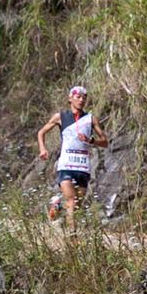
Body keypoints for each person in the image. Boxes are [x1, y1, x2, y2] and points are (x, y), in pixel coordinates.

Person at [38, 85, 108, 228]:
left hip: (82, 165)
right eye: (78, 97)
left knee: (76, 206)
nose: (81, 100)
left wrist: (91, 140)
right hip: (66, 164)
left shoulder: (90, 119)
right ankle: (73, 237)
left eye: (84, 97)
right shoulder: (60, 117)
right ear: (70, 98)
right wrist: (42, 149)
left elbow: (105, 142)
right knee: (71, 202)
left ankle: (57, 205)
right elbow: (41, 132)